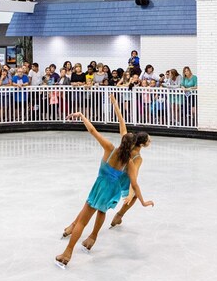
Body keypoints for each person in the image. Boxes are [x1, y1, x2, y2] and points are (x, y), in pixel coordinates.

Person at [56, 96, 153, 269]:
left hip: (100, 186)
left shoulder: (109, 148)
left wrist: (82, 116)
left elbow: (93, 131)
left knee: (82, 221)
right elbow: (135, 184)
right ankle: (93, 237)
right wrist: (143, 202)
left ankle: (67, 253)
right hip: (112, 191)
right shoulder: (129, 161)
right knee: (101, 211)